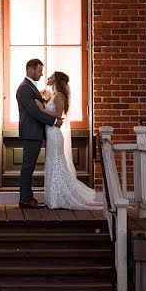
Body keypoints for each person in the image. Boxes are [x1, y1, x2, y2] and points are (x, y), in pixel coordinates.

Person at [36, 71, 98, 210]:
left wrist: (42, 109)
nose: (48, 78)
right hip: (51, 133)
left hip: (55, 134)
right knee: (54, 164)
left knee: (56, 163)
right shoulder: (54, 95)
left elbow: (58, 114)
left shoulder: (59, 95)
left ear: (56, 80)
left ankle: (59, 198)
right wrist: (45, 101)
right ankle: (55, 198)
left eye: (51, 77)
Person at [16, 58, 62, 209]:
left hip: (35, 133)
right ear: (31, 70)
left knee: (29, 166)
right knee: (28, 167)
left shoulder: (30, 87)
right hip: (31, 133)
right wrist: (54, 122)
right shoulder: (24, 88)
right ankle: (25, 199)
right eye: (39, 71)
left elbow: (40, 107)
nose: (42, 74)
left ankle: (27, 198)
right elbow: (35, 112)